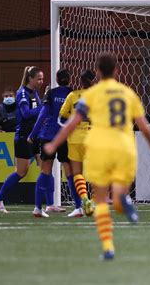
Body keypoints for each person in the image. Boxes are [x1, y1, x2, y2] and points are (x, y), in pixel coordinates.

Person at [44, 52, 150, 260]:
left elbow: (71, 122)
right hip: (123, 147)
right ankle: (123, 201)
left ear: (98, 71)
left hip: (99, 147)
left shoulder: (91, 95)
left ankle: (108, 247)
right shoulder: (127, 92)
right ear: (117, 70)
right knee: (118, 195)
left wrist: (54, 143)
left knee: (101, 200)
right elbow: (142, 123)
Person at [0, 66, 44, 213]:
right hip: (23, 137)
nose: (41, 81)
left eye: (42, 78)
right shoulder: (21, 93)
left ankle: (48, 204)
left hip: (35, 136)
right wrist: (43, 108)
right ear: (30, 79)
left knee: (45, 168)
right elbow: (26, 114)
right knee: (21, 172)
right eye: (39, 78)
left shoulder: (35, 93)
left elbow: (40, 110)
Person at [28, 69, 72, 217]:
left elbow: (42, 115)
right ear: (70, 79)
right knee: (71, 172)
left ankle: (37, 208)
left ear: (56, 79)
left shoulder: (51, 93)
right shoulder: (73, 94)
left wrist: (33, 134)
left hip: (48, 136)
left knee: (45, 171)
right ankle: (79, 206)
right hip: (66, 137)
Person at [59, 70, 96, 217]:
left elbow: (62, 115)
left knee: (77, 173)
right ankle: (92, 203)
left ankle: (84, 200)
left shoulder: (72, 95)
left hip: (74, 139)